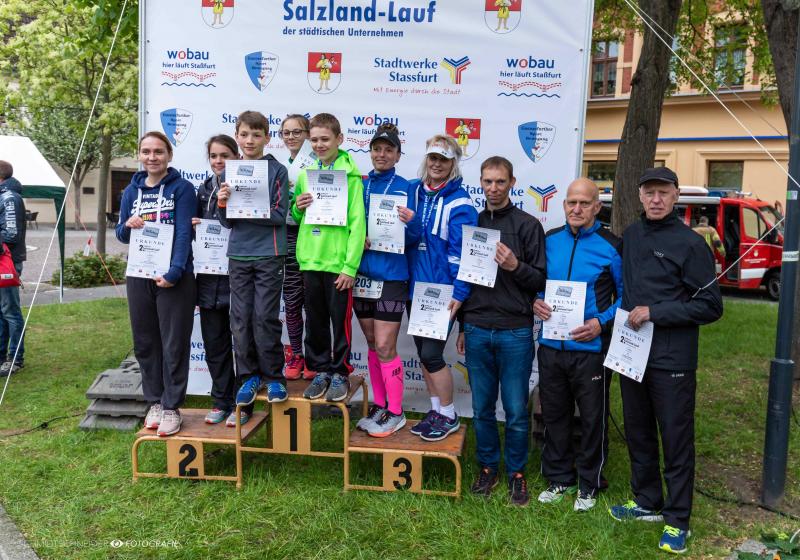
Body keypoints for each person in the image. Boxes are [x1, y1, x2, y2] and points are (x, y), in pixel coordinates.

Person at [608, 167, 722, 555]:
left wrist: (655, 312)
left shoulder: (691, 244)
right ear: (640, 196)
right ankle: (647, 501)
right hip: (632, 353)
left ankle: (677, 520)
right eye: (649, 193)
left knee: (675, 439)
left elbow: (711, 306)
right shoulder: (632, 235)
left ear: (676, 196)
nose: (656, 200)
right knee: (638, 431)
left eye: (663, 192)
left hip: (672, 359)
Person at [456, 156, 545, 505]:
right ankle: (488, 467)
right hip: (477, 328)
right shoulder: (473, 223)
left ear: (512, 183)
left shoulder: (528, 226)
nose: (493, 188)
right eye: (488, 182)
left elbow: (540, 280)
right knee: (481, 408)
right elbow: (463, 279)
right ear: (480, 182)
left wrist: (514, 266)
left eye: (500, 182)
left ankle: (517, 473)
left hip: (515, 332)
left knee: (516, 410)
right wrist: (462, 326)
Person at [532, 178, 623, 512]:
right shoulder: (550, 240)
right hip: (552, 346)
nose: (577, 208)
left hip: (591, 350)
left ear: (597, 207)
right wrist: (535, 301)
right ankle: (559, 478)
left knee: (592, 418)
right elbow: (537, 283)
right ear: (564, 205)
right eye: (572, 202)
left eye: (585, 203)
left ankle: (589, 483)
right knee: (554, 414)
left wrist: (601, 322)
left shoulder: (612, 245)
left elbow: (626, 296)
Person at [116, 131, 197, 436]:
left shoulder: (182, 189)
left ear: (169, 155)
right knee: (145, 343)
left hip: (174, 277)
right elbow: (121, 235)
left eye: (158, 152)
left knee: (173, 343)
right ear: (140, 155)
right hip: (139, 275)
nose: (152, 157)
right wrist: (128, 224)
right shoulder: (130, 191)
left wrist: (175, 271)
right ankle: (155, 402)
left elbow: (184, 233)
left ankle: (172, 406)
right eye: (146, 152)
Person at [216, 110, 290, 426]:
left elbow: (280, 214)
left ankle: (274, 377)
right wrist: (223, 202)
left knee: (264, 318)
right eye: (244, 134)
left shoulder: (277, 170)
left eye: (256, 135)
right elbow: (226, 222)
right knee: (240, 320)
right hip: (239, 255)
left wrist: (249, 207)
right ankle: (248, 377)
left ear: (266, 138)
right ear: (237, 136)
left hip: (269, 254)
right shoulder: (227, 172)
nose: (250, 140)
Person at [406, 134, 478, 442]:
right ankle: (435, 410)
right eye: (433, 158)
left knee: (432, 355)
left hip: (441, 291)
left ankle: (449, 414)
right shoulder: (413, 191)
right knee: (423, 355)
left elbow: (465, 254)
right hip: (414, 288)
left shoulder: (460, 202)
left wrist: (460, 293)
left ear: (453, 164)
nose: (437, 164)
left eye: (444, 159)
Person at [291, 113, 366, 402]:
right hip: (311, 259)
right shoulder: (305, 175)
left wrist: (350, 267)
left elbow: (358, 224)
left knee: (340, 323)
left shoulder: (351, 177)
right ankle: (320, 370)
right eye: (314, 140)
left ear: (339, 139)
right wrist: (297, 206)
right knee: (315, 322)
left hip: (338, 265)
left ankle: (341, 372)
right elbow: (299, 215)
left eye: (325, 139)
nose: (319, 145)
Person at [354, 123, 420, 437]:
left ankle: (396, 411)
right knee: (371, 344)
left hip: (392, 276)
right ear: (370, 152)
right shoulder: (359, 184)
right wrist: (356, 237)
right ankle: (380, 406)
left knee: (384, 345)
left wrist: (411, 224)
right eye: (377, 149)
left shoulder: (407, 187)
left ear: (397, 155)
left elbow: (416, 237)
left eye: (388, 150)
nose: (382, 154)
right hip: (362, 275)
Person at [194, 135, 238, 424]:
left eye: (225, 155)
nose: (218, 161)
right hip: (209, 278)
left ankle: (242, 405)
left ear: (236, 157)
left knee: (244, 345)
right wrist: (194, 225)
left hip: (238, 276)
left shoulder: (245, 185)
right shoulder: (203, 189)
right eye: (213, 156)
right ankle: (221, 401)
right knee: (214, 344)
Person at [279, 114, 312, 381]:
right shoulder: (278, 167)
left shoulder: (318, 164)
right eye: (286, 133)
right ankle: (296, 353)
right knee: (291, 298)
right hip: (288, 235)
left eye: (297, 132)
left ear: (308, 135)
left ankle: (313, 354)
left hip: (314, 236)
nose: (291, 137)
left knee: (313, 301)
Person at [0, 161, 26, 378]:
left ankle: (15, 358)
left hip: (7, 262)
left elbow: (11, 233)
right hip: (3, 259)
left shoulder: (9, 198)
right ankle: (2, 356)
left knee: (10, 312)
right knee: (2, 312)